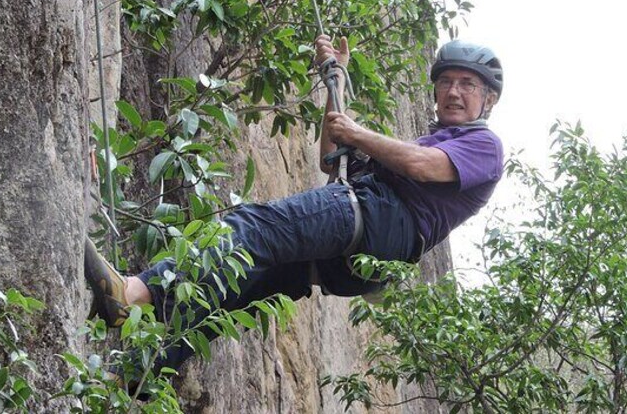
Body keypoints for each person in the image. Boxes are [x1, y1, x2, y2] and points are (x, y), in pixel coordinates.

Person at [84, 36, 504, 375]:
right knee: (233, 291)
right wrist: (336, 82)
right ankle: (134, 376)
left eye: (467, 84)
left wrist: (357, 133)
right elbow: (331, 159)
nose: (453, 91)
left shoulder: (483, 145)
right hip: (358, 256)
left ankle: (134, 292)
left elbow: (421, 165)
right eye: (446, 82)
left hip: (380, 221)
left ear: (489, 99)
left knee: (253, 227)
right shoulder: (423, 142)